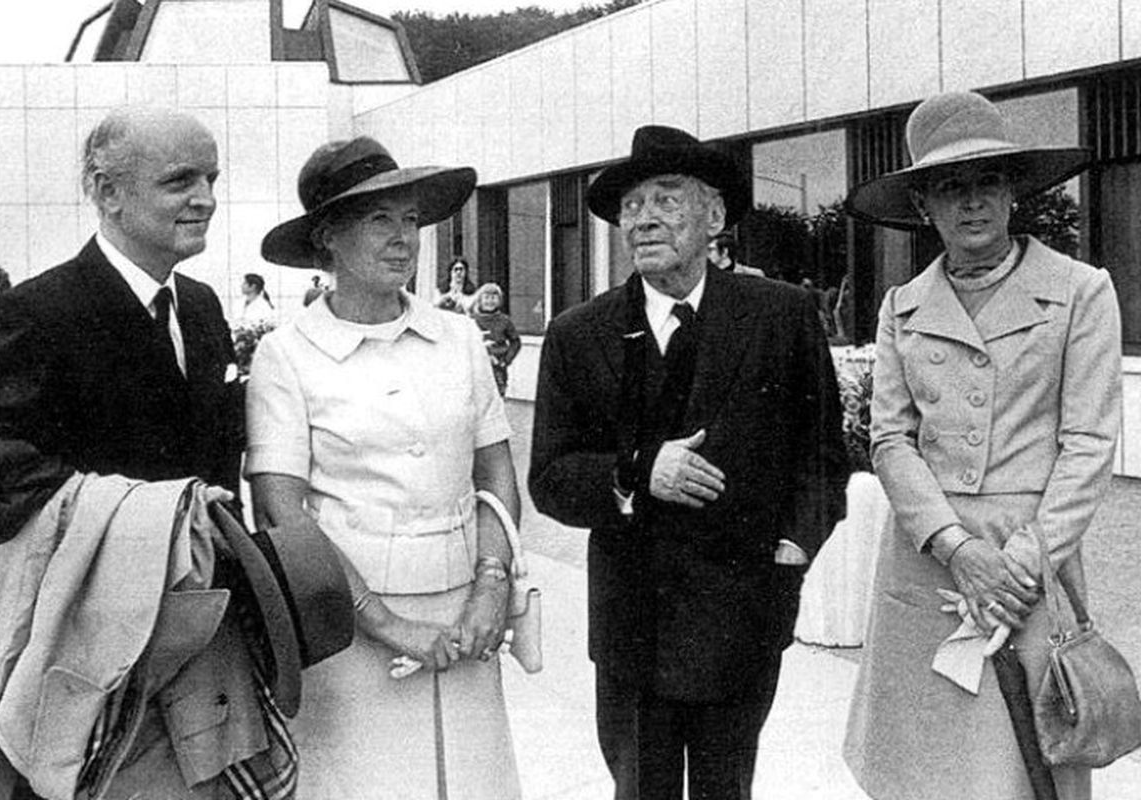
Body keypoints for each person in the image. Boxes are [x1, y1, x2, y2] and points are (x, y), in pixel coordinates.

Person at [0, 107, 261, 797]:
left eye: (211, 178)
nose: (205, 198)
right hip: (75, 669)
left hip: (190, 654)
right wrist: (130, 516)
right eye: (180, 181)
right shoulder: (34, 313)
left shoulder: (201, 308)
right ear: (108, 192)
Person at [529, 125, 848, 800]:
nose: (643, 219)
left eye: (666, 200)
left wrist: (791, 552)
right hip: (631, 630)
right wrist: (639, 472)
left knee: (727, 790)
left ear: (715, 217)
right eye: (632, 205)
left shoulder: (782, 316)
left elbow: (822, 459)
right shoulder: (577, 334)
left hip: (744, 619)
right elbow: (551, 479)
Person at [842, 91, 1119, 800]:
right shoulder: (902, 307)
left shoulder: (1080, 291)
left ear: (1013, 192)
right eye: (949, 186)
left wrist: (1018, 566)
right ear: (922, 206)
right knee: (926, 768)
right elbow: (890, 439)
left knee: (1022, 769)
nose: (972, 202)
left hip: (1032, 561)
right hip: (930, 557)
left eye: (988, 180)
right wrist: (957, 549)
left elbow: (1089, 443)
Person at [247, 136, 522, 798]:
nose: (403, 239)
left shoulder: (459, 337)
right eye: (379, 220)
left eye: (411, 220)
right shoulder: (287, 354)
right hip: (347, 622)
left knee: (469, 782)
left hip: (466, 614)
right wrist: (385, 622)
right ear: (327, 238)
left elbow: (495, 471)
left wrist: (491, 587)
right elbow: (281, 511)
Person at [470, 281, 521, 397]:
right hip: (477, 366)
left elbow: (515, 342)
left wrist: (506, 360)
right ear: (480, 300)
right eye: (487, 297)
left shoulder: (504, 320)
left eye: (494, 298)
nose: (490, 301)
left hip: (498, 366)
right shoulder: (472, 320)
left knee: (497, 397)